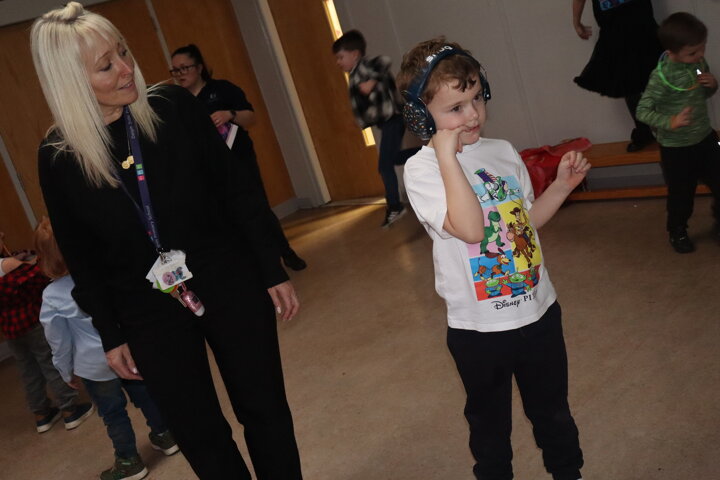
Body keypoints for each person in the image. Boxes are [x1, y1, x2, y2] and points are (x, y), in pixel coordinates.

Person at [31, 3, 303, 479]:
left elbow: (236, 192)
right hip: (145, 309)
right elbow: (81, 256)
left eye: (123, 52)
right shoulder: (60, 158)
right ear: (70, 82)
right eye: (106, 65)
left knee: (265, 408)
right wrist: (111, 333)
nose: (126, 68)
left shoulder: (173, 108)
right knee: (199, 433)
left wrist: (269, 267)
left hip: (227, 276)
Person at [397, 38, 589, 480]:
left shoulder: (502, 151)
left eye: (477, 98)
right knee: (489, 423)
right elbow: (470, 229)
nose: (472, 115)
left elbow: (525, 223)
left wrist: (560, 187)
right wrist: (448, 158)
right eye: (455, 108)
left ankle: (568, 471)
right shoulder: (424, 170)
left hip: (539, 310)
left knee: (553, 410)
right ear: (421, 116)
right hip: (479, 330)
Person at [35, 217, 179, 480]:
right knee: (147, 397)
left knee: (113, 414)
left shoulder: (52, 296)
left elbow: (58, 341)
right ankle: (166, 435)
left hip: (94, 368)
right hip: (126, 353)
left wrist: (64, 371)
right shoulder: (102, 275)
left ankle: (129, 461)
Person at [169, 44, 306, 271]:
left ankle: (284, 252)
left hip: (239, 159)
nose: (180, 74)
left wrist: (230, 114)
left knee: (257, 208)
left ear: (199, 67)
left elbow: (250, 117)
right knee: (230, 216)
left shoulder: (223, 89)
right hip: (209, 169)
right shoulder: (178, 101)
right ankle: (256, 263)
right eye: (175, 70)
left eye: (185, 68)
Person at [636, 12, 719, 254]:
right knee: (681, 196)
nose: (700, 55)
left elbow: (701, 91)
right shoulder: (660, 78)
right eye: (693, 53)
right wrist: (669, 121)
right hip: (676, 149)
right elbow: (643, 111)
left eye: (702, 48)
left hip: (705, 138)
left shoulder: (698, 64)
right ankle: (677, 230)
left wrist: (712, 85)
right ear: (671, 52)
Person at [0, 231, 94, 433]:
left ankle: (41, 414)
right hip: (32, 323)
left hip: (10, 329)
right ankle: (69, 409)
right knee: (49, 363)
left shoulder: (9, 263)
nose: (3, 235)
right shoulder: (10, 265)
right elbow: (37, 273)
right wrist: (28, 261)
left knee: (28, 370)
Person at [333, 29, 418, 227]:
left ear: (355, 55)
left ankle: (395, 206)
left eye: (340, 57)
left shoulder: (364, 67)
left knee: (384, 166)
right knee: (393, 159)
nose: (338, 62)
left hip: (393, 119)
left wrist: (372, 80)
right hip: (388, 121)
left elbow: (385, 60)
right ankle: (428, 151)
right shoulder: (354, 74)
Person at [573, 0, 663, 152]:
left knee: (657, 71)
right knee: (627, 81)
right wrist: (576, 22)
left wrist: (577, 22)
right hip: (613, 25)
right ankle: (644, 131)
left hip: (639, 18)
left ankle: (667, 127)